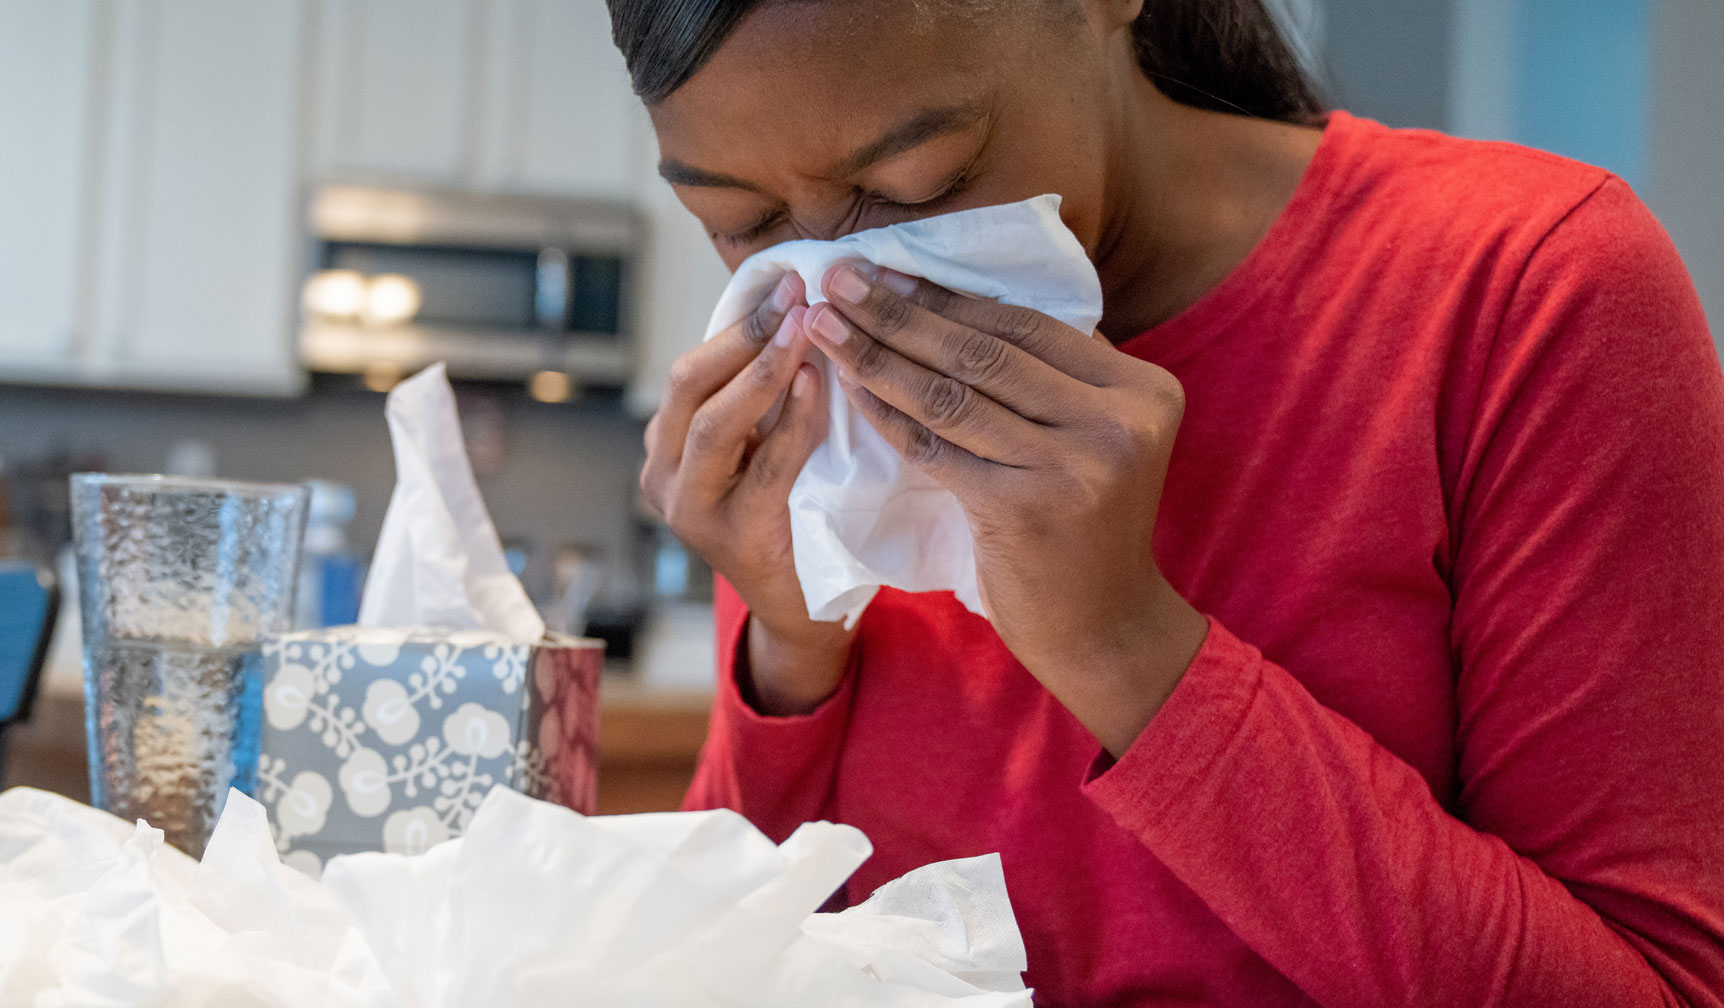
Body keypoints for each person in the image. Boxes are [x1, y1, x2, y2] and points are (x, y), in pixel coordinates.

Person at [613, 0, 1724, 1003]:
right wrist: (789, 638)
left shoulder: (1526, 289)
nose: (839, 280)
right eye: (745, 221)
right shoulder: (808, 383)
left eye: (926, 185)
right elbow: (745, 951)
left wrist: (1122, 644)